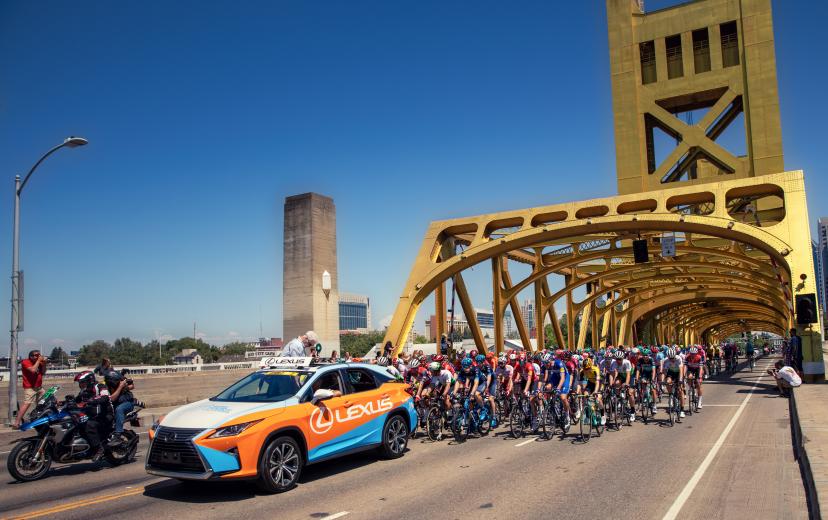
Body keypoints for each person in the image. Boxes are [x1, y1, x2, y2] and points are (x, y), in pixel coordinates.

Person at [74, 370, 113, 461]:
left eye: (83, 382)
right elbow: (77, 400)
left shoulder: (100, 386)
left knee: (89, 425)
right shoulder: (84, 391)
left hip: (105, 415)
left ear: (89, 381)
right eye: (80, 383)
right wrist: (62, 403)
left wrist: (92, 400)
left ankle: (99, 449)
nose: (81, 385)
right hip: (93, 415)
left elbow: (105, 397)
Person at [15, 349, 47, 429]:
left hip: (39, 387)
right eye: (36, 355)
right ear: (31, 356)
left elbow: (43, 372)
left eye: (39, 355)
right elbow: (33, 370)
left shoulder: (39, 362)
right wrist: (39, 361)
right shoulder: (25, 362)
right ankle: (16, 423)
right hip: (30, 388)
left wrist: (44, 364)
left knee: (44, 402)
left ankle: (39, 419)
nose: (38, 357)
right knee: (27, 404)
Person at [105, 370, 136, 447]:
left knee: (119, 409)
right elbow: (111, 399)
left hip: (127, 403)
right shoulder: (105, 386)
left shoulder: (120, 380)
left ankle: (118, 435)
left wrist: (123, 387)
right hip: (115, 404)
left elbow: (132, 386)